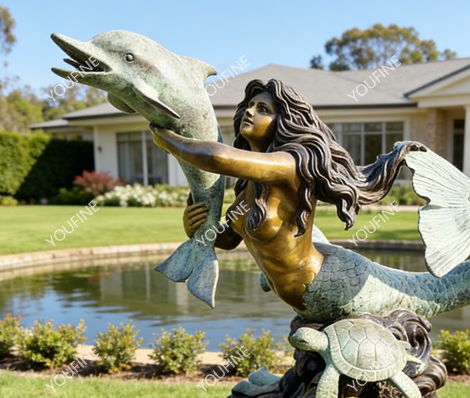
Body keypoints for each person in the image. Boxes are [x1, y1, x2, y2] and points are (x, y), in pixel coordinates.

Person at [151, 78, 419, 319]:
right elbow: (230, 239)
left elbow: (217, 158)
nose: (250, 111)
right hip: (302, 297)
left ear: (285, 122)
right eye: (251, 105)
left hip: (324, 283)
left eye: (263, 110)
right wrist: (198, 229)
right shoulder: (248, 186)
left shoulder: (290, 165)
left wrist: (169, 140)